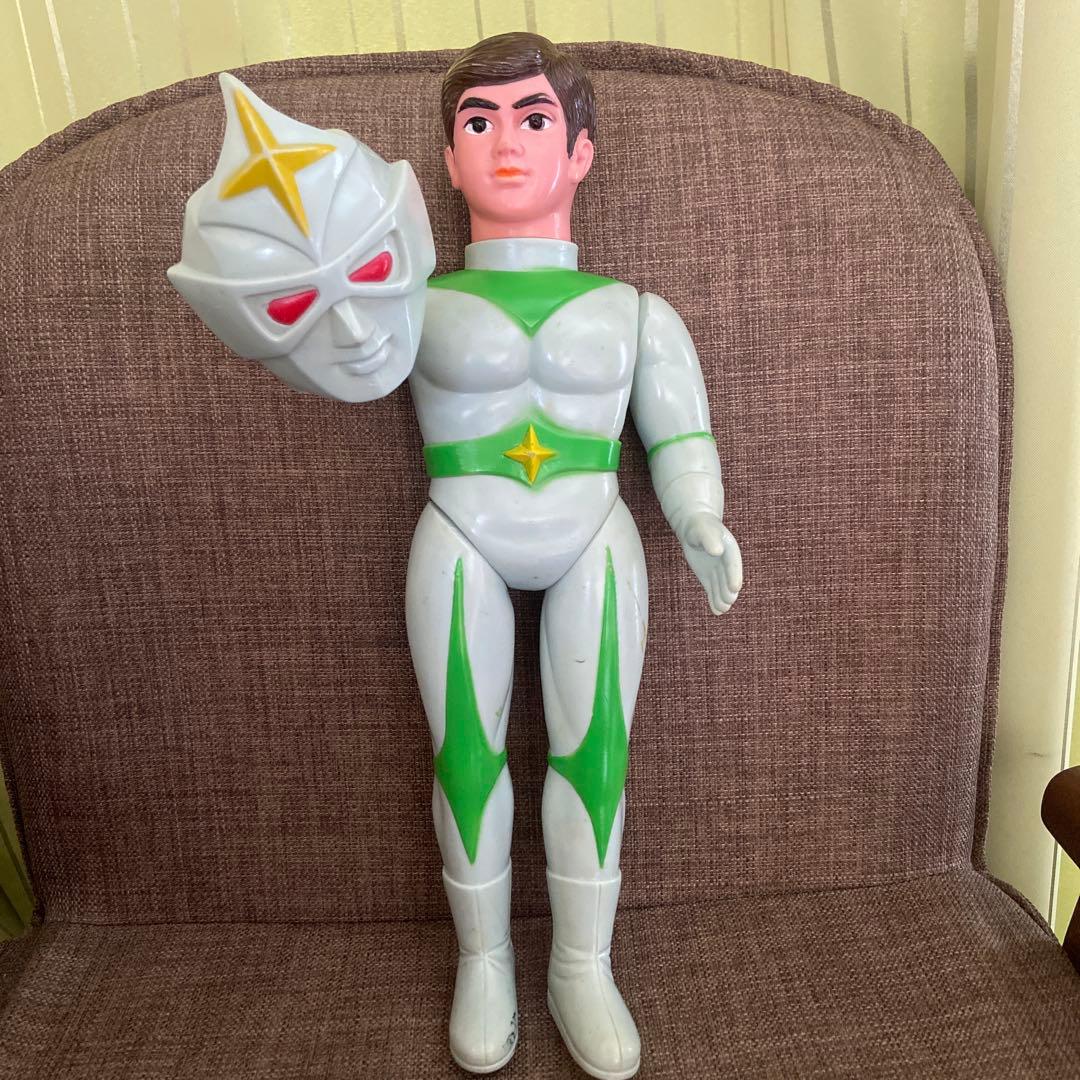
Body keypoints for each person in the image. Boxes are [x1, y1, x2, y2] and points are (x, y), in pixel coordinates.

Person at [168, 31, 743, 1080]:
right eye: (478, 122)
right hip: (461, 531)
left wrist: (701, 517)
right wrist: (292, 281)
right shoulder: (412, 299)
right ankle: (486, 961)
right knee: (466, 756)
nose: (506, 143)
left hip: (594, 532)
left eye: (534, 119)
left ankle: (582, 964)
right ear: (445, 157)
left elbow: (680, 433)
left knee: (598, 756)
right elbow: (336, 346)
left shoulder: (636, 312)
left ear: (581, 151)